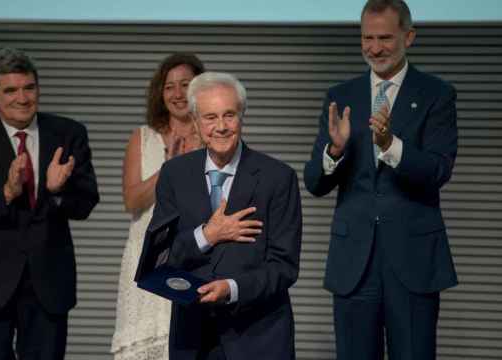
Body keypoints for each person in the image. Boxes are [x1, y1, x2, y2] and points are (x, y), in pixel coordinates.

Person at [303, 1, 458, 359]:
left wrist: (391, 145)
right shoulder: (340, 96)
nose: (375, 48)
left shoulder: (436, 94)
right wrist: (335, 151)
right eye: (367, 38)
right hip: (353, 263)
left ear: (409, 36)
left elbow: (438, 170)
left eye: (385, 38)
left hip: (413, 260)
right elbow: (314, 182)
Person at [0, 47, 99, 360]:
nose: (22, 98)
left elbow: (85, 202)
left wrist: (57, 191)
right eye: (11, 90)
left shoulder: (68, 133)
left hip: (47, 287)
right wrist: (4, 193)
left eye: (29, 88)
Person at [149, 71, 302, 360]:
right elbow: (160, 256)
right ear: (195, 122)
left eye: (229, 115)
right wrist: (207, 235)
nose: (221, 127)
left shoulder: (278, 178)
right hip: (192, 339)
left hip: (258, 338)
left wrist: (231, 289)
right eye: (210, 117)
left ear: (242, 116)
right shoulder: (174, 174)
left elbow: (284, 267)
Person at [111, 53, 206, 360]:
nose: (177, 94)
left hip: (197, 256)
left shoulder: (213, 134)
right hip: (149, 256)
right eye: (169, 87)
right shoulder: (143, 137)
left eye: (185, 85)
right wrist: (169, 168)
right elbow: (132, 201)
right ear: (160, 93)